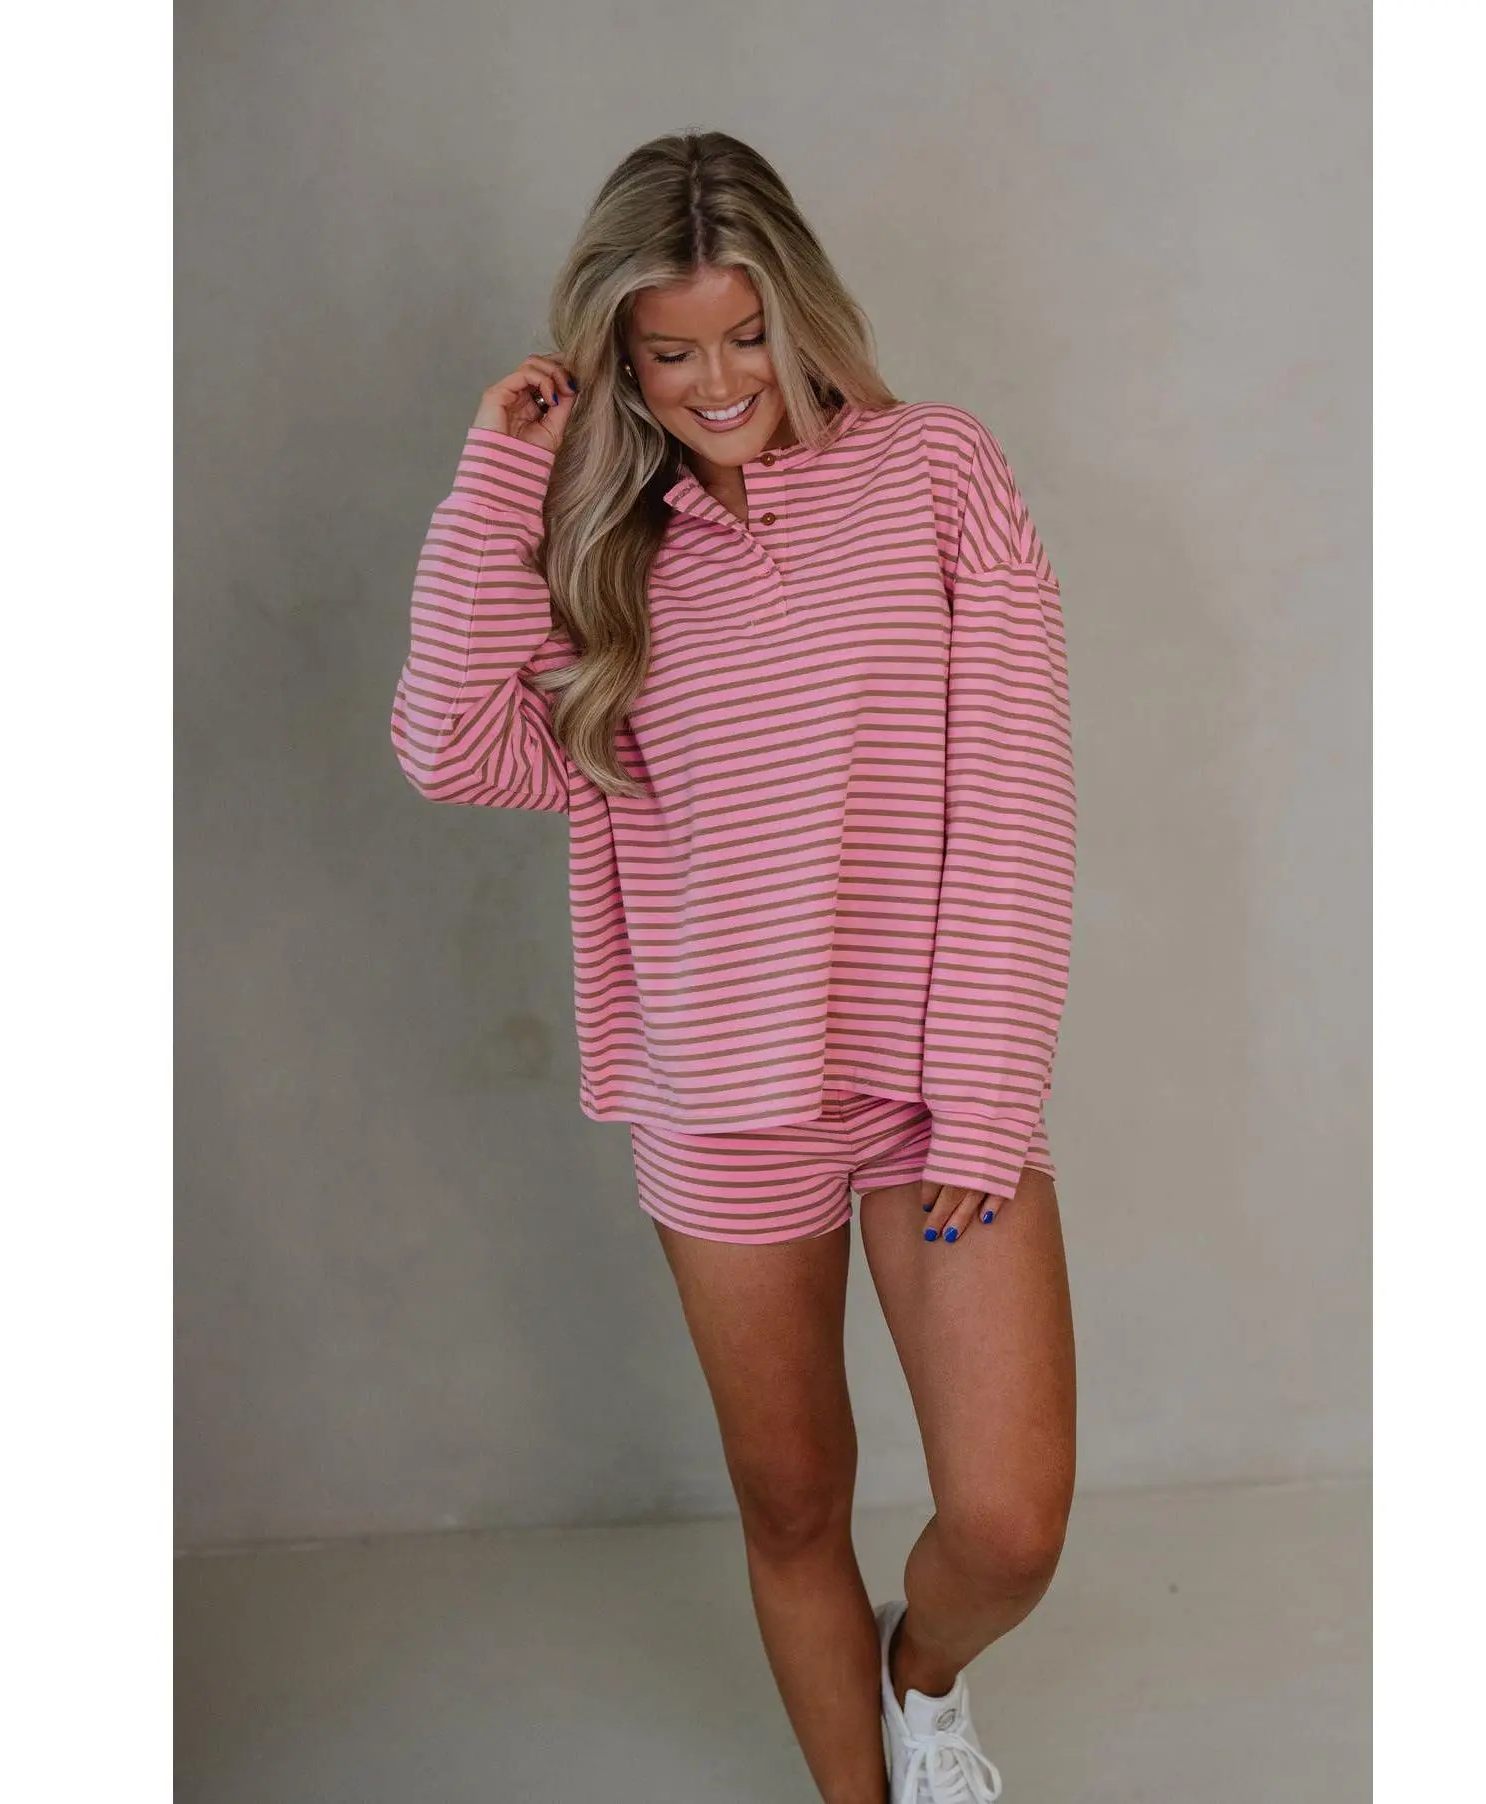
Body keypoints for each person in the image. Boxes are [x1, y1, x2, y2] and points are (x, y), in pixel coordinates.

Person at [390, 129, 1077, 1804]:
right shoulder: (607, 546)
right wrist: (498, 481)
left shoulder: (937, 471)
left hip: (931, 1090)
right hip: (722, 1100)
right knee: (792, 1504)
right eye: (670, 353)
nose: (717, 383)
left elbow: (1014, 793)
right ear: (618, 359)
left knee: (1007, 1524)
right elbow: (448, 747)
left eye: (747, 335)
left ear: (800, 311)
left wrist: (987, 1096)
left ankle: (921, 1684)